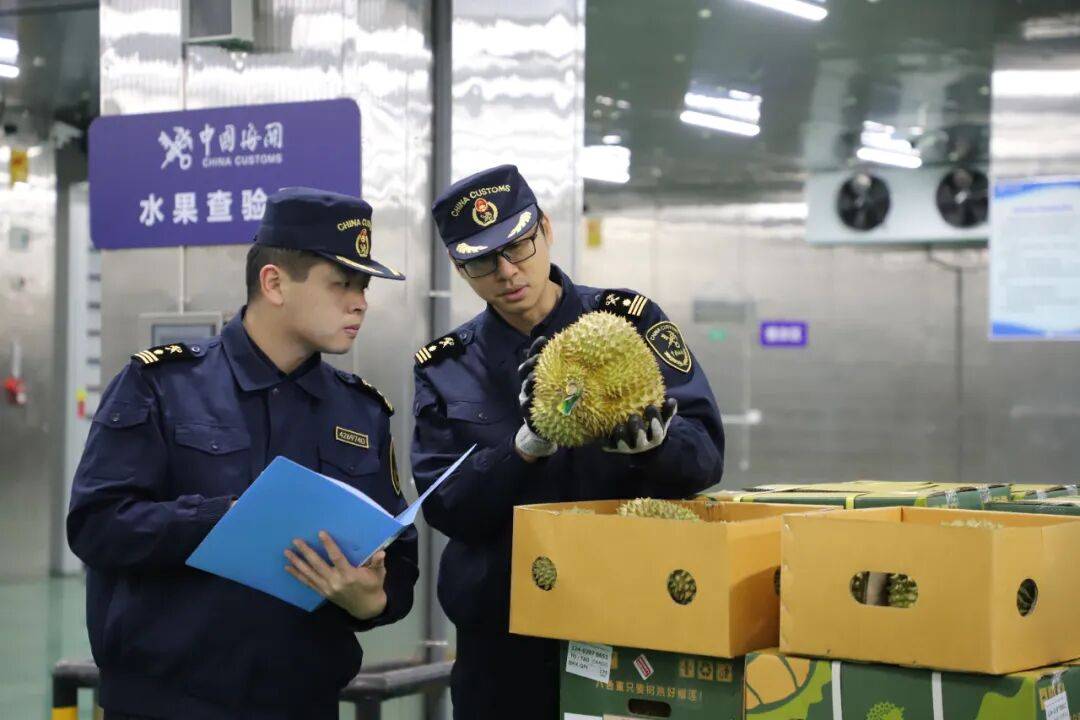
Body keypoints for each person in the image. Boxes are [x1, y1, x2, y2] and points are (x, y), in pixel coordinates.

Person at [67, 187, 418, 720]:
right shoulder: (161, 385)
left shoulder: (361, 412)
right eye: (342, 283)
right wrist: (221, 519)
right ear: (273, 283)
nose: (360, 302)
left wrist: (374, 600)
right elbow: (96, 524)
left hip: (302, 704)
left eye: (363, 286)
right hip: (165, 705)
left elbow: (399, 555)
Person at [411, 165, 725, 719]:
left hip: (631, 620)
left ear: (546, 229)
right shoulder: (446, 367)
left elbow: (705, 457)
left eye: (518, 245)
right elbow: (446, 506)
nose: (507, 271)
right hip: (504, 644)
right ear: (460, 269)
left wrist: (654, 447)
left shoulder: (628, 322)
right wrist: (524, 448)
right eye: (483, 261)